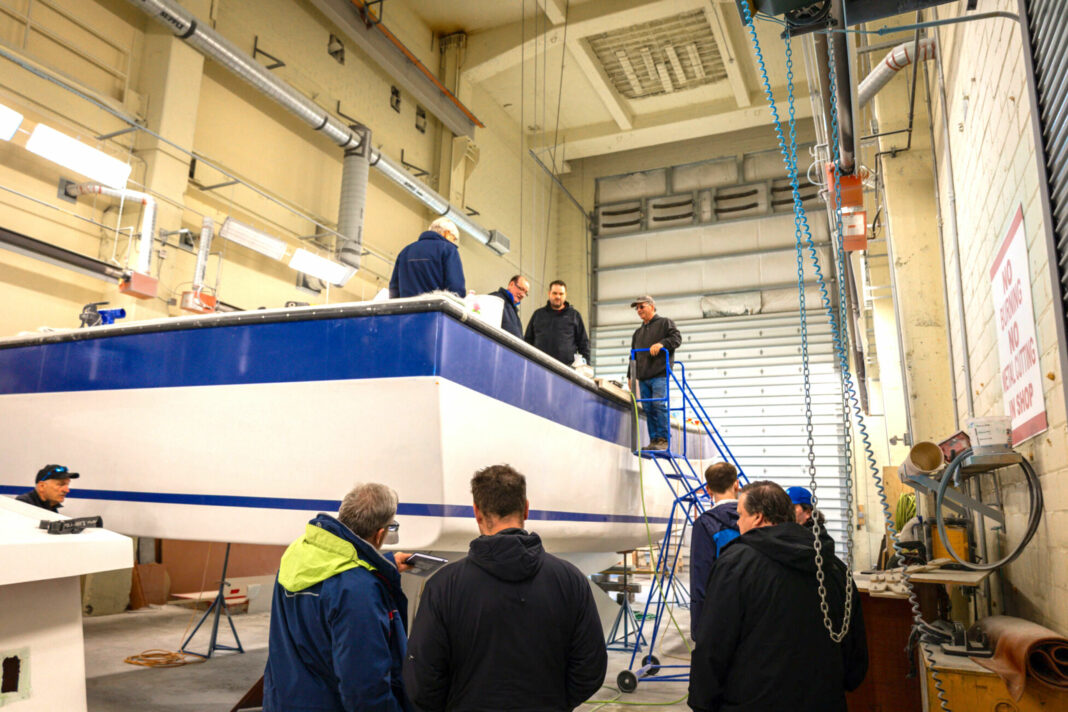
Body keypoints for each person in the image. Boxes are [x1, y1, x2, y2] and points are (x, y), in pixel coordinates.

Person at [403, 464, 607, 712]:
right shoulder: (570, 580)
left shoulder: (443, 586)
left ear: (477, 513)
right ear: (526, 508)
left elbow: (422, 680)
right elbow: (591, 667)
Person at [688, 481, 867, 712]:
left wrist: (702, 703)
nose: (737, 522)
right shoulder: (834, 568)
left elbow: (713, 645)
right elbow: (855, 650)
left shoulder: (736, 566)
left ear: (758, 518)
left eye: (740, 515)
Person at [263, 483, 414, 712]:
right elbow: (364, 688)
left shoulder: (298, 554)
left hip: (283, 700)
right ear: (380, 534)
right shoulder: (359, 591)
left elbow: (329, 578)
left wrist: (386, 565)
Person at [689, 462, 741, 634]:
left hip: (721, 613)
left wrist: (699, 629)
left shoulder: (704, 524)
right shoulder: (754, 519)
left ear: (708, 490)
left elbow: (701, 577)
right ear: (736, 484)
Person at [628, 296, 682, 450]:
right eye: (636, 308)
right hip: (643, 376)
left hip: (659, 374)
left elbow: (676, 339)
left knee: (658, 403)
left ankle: (664, 439)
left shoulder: (665, 323)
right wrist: (630, 375)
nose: (639, 311)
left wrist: (661, 344)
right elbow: (632, 354)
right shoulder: (638, 333)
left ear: (652, 306)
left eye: (641, 307)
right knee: (648, 408)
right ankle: (654, 441)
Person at [388, 217, 466, 298]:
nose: (453, 242)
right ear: (446, 233)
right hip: (435, 309)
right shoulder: (448, 249)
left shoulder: (405, 251)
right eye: (453, 238)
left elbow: (394, 287)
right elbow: (455, 286)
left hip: (407, 309)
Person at [524, 280, 591, 366]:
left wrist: (586, 367)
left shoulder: (574, 316)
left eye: (561, 294)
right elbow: (528, 341)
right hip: (540, 367)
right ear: (549, 293)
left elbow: (584, 344)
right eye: (554, 293)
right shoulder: (538, 315)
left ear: (565, 295)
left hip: (566, 370)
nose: (558, 296)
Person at [490, 274, 530, 339]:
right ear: (511, 284)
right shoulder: (496, 299)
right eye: (521, 289)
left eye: (525, 293)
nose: (523, 295)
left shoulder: (514, 312)